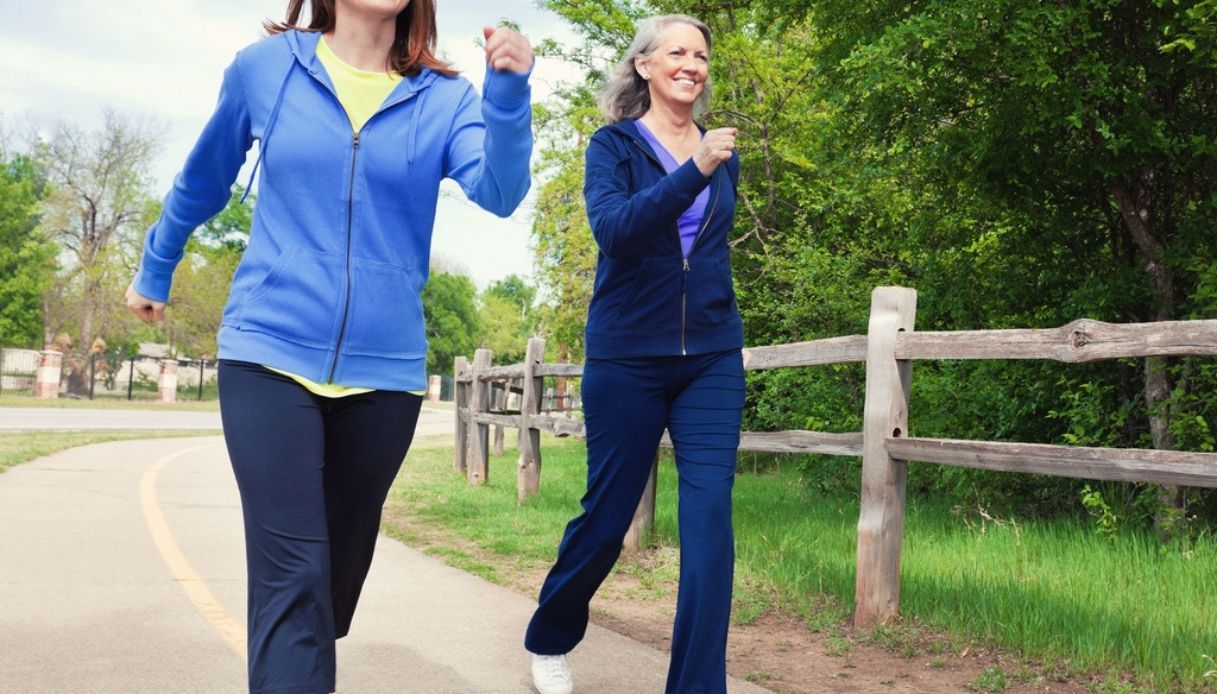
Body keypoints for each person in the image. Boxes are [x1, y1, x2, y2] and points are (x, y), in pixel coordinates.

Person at [124, 1, 533, 692]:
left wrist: (509, 92)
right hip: (268, 353)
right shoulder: (266, 70)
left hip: (383, 376)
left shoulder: (445, 97)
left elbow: (498, 190)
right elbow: (205, 178)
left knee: (325, 592)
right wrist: (156, 264)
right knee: (293, 581)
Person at [525, 13, 743, 694]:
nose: (692, 63)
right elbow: (614, 231)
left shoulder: (717, 146)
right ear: (644, 65)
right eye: (677, 51)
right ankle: (550, 637)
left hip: (710, 355)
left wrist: (706, 162)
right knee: (607, 517)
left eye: (701, 55)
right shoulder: (612, 146)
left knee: (708, 524)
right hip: (627, 359)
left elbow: (702, 252)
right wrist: (693, 171)